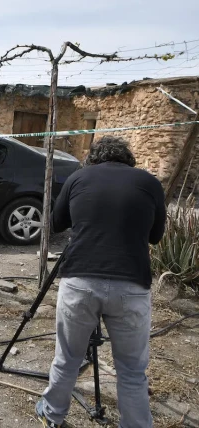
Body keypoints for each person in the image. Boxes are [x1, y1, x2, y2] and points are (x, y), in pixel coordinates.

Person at [36, 136, 166, 428]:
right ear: (128, 159)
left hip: (80, 280)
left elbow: (56, 222)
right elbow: (155, 237)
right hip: (131, 285)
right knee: (132, 371)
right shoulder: (149, 183)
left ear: (93, 158)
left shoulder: (79, 177)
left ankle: (52, 415)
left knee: (68, 357)